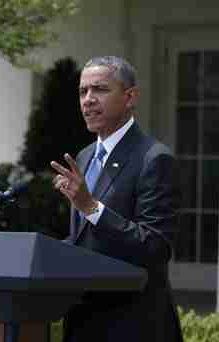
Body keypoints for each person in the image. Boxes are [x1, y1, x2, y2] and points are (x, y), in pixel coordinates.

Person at [50, 56, 182, 342]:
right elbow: (84, 241)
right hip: (83, 323)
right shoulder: (83, 157)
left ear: (130, 96)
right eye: (83, 91)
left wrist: (90, 207)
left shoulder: (154, 159)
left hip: (134, 326)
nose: (88, 100)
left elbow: (156, 247)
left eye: (99, 89)